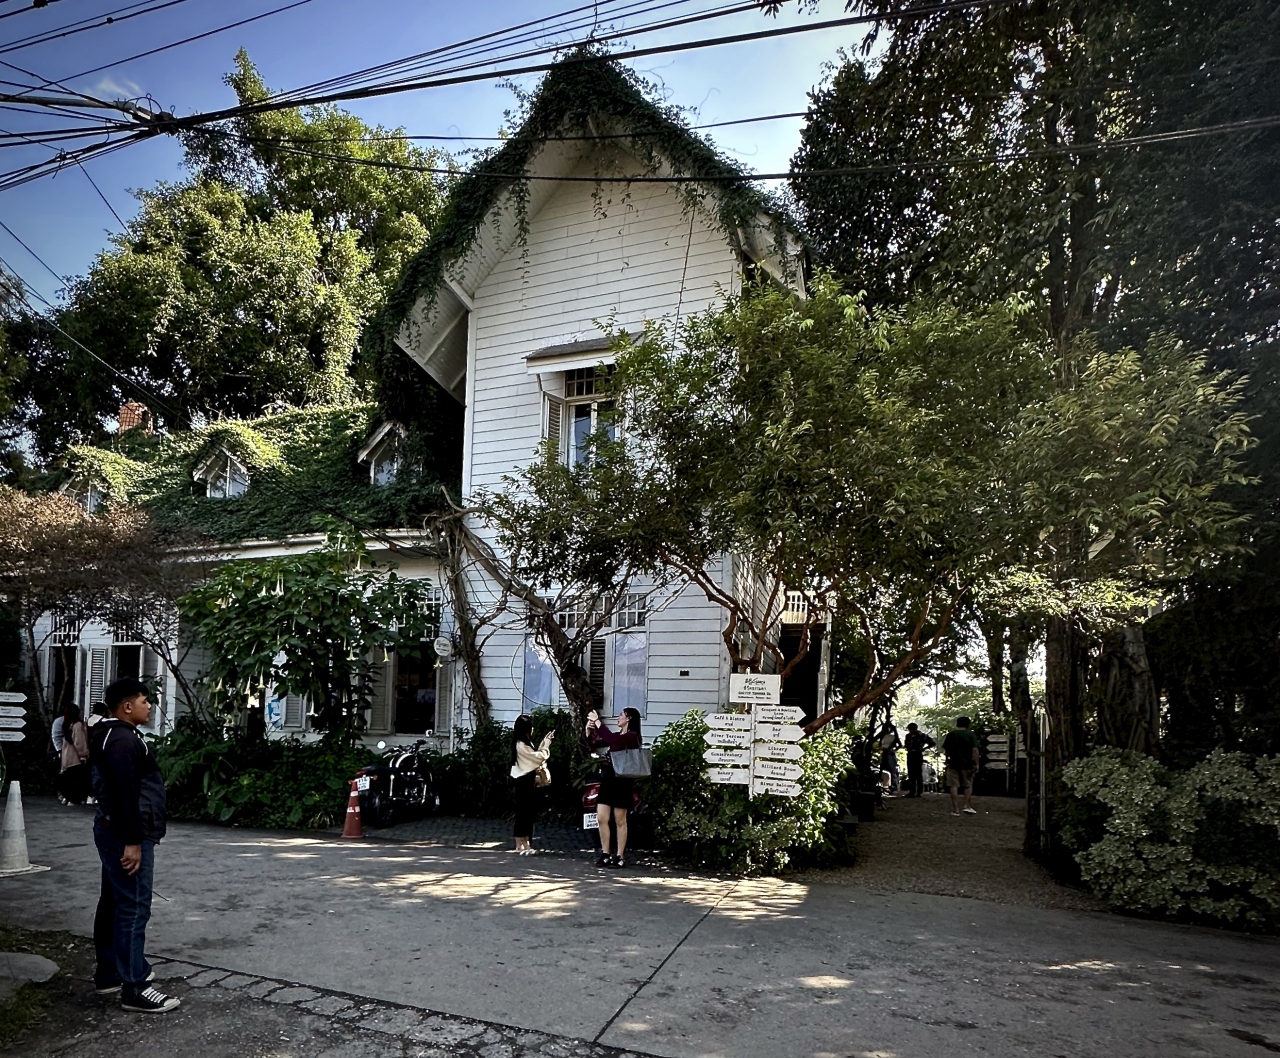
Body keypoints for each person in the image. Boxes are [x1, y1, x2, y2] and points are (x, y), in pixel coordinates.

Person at [89, 677, 179, 1013]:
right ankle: (135, 987)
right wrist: (132, 841)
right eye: (144, 700)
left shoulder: (113, 735)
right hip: (124, 835)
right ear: (127, 707)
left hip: (113, 831)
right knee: (134, 907)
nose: (149, 705)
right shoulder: (122, 739)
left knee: (114, 902)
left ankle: (110, 972)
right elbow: (124, 794)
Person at [586, 707, 641, 868]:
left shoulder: (632, 736)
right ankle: (605, 853)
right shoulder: (617, 735)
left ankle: (620, 855)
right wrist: (588, 731)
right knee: (601, 817)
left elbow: (612, 740)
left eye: (621, 715)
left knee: (620, 820)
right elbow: (596, 742)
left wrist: (597, 721)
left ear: (629, 718)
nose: (618, 717)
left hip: (622, 782)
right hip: (609, 779)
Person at [510, 715, 554, 855]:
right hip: (523, 781)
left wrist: (545, 742)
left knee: (527, 813)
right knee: (523, 813)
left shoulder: (524, 744)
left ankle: (526, 843)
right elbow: (538, 757)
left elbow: (535, 755)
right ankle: (520, 844)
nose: (532, 729)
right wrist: (546, 745)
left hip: (527, 781)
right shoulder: (521, 745)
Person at [942, 715, 981, 817]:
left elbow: (946, 750)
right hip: (967, 764)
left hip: (953, 763)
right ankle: (966, 805)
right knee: (968, 785)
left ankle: (956, 809)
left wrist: (947, 760)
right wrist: (977, 763)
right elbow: (975, 750)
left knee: (953, 785)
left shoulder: (951, 734)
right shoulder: (971, 735)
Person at [58, 702, 91, 805]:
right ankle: (74, 800)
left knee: (68, 779)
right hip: (75, 758)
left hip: (67, 756)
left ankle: (67, 798)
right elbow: (79, 742)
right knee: (76, 779)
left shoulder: (67, 724)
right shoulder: (78, 725)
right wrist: (84, 754)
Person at [902, 722, 936, 798]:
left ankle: (919, 792)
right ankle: (912, 791)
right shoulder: (908, 736)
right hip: (910, 754)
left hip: (917, 754)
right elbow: (906, 744)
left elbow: (932, 743)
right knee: (911, 773)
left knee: (918, 773)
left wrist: (924, 748)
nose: (910, 731)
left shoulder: (922, 735)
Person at [877, 721, 902, 795]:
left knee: (892, 770)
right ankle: (885, 786)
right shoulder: (882, 736)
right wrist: (881, 749)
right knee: (884, 769)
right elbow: (880, 745)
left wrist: (893, 750)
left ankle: (894, 787)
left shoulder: (893, 737)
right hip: (884, 754)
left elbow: (899, 745)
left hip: (890, 754)